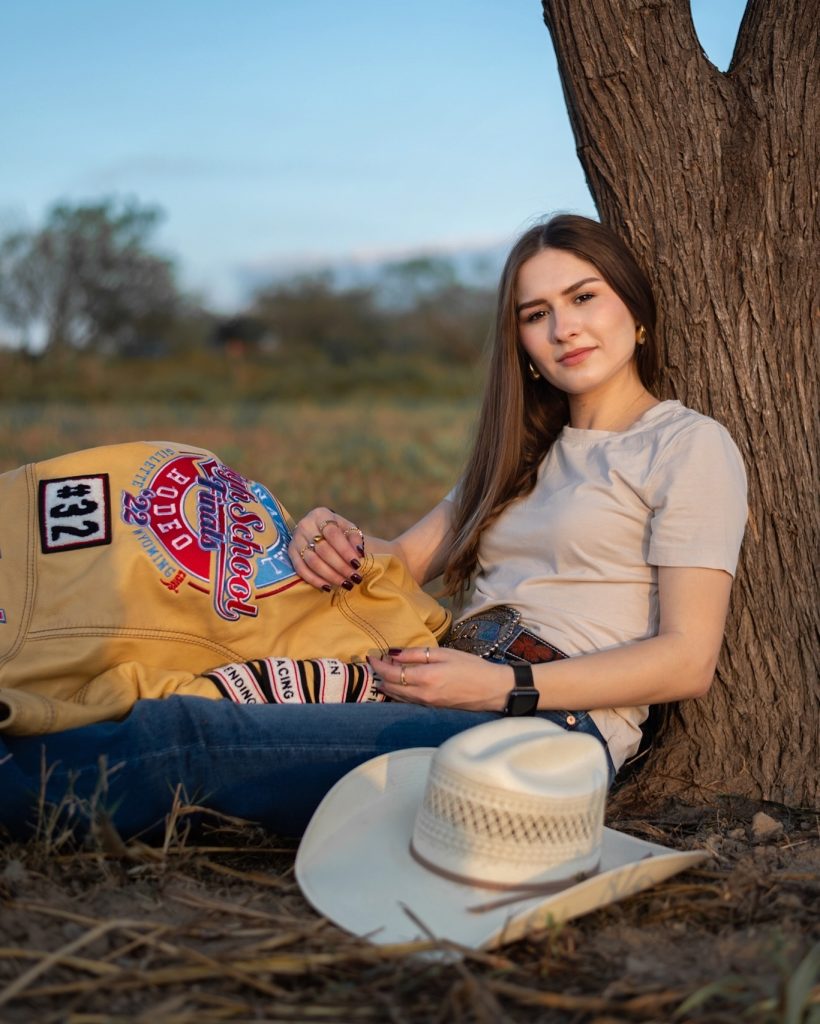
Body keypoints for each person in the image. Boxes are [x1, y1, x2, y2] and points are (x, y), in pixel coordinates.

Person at [0, 215, 746, 842]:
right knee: (178, 684)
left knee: (191, 742)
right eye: (536, 312)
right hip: (431, 678)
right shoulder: (522, 452)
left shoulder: (684, 445)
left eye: (584, 296)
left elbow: (686, 660)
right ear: (520, 339)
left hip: (545, 731)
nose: (564, 327)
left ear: (636, 310)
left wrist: (503, 688)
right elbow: (392, 562)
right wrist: (321, 532)